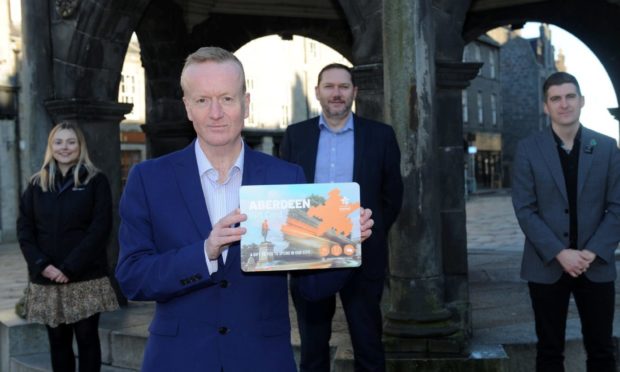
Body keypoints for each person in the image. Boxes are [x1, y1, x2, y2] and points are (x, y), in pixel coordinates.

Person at [115, 47, 374, 372]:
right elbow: (132, 277)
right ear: (187, 108)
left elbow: (311, 287)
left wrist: (344, 244)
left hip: (263, 359)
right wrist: (206, 252)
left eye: (226, 98)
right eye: (202, 100)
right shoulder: (149, 178)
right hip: (178, 359)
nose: (215, 113)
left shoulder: (285, 176)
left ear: (246, 104)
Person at [280, 63, 403, 372]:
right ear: (318, 91)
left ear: (354, 92)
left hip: (362, 252)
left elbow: (392, 195)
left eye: (344, 87)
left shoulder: (381, 136)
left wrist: (367, 233)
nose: (337, 93)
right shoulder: (296, 135)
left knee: (368, 341)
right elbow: (284, 193)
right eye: (330, 86)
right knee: (312, 346)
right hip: (308, 253)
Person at [512, 71, 620, 372]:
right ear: (546, 106)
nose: (564, 104)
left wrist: (592, 251)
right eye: (555, 98)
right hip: (546, 266)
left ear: (582, 101)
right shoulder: (528, 149)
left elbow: (618, 206)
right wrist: (560, 253)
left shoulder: (608, 147)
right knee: (549, 352)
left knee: (602, 352)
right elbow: (525, 209)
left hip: (594, 264)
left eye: (570, 96)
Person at [17, 122, 119, 372]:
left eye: (71, 142)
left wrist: (70, 267)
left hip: (85, 277)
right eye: (59, 142)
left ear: (80, 146)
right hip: (47, 278)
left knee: (87, 340)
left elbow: (100, 229)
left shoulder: (96, 181)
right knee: (58, 343)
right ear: (51, 146)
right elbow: (25, 230)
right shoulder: (35, 184)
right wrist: (42, 265)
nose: (65, 147)